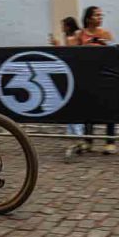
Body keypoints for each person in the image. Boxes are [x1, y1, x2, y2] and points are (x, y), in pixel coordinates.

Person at [78, 6, 117, 154]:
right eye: (97, 15)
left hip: (105, 76)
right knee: (88, 109)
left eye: (101, 15)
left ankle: (110, 141)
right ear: (88, 18)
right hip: (87, 77)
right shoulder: (80, 34)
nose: (100, 18)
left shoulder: (105, 34)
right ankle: (88, 140)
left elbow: (115, 51)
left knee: (108, 107)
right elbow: (74, 53)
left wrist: (103, 43)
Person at [50, 17, 85, 152]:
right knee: (70, 106)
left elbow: (70, 51)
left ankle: (78, 136)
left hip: (75, 74)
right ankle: (74, 136)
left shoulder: (75, 36)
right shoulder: (70, 37)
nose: (62, 28)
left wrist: (58, 44)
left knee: (75, 106)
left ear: (69, 26)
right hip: (70, 74)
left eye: (63, 25)